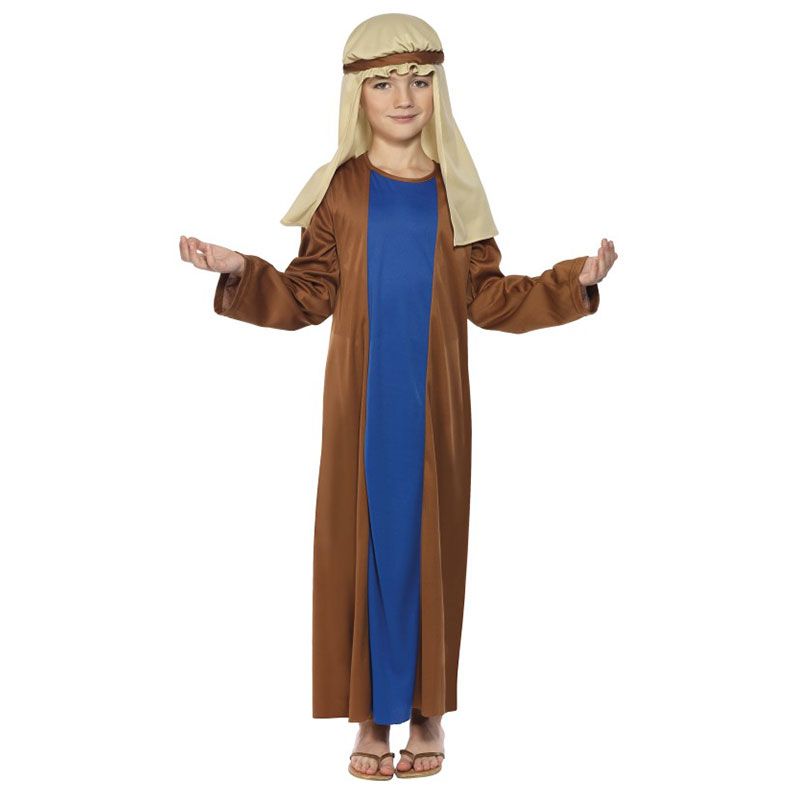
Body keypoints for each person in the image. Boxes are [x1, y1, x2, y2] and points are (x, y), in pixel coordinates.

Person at [178, 12, 617, 781]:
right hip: (362, 409)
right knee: (362, 550)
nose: (403, 97)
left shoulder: (456, 192)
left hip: (433, 408)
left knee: (428, 550)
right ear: (357, 94)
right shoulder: (341, 192)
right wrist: (242, 270)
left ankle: (427, 714)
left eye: (418, 80)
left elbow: (489, 297)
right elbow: (309, 293)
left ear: (438, 89)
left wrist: (569, 284)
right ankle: (368, 719)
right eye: (383, 82)